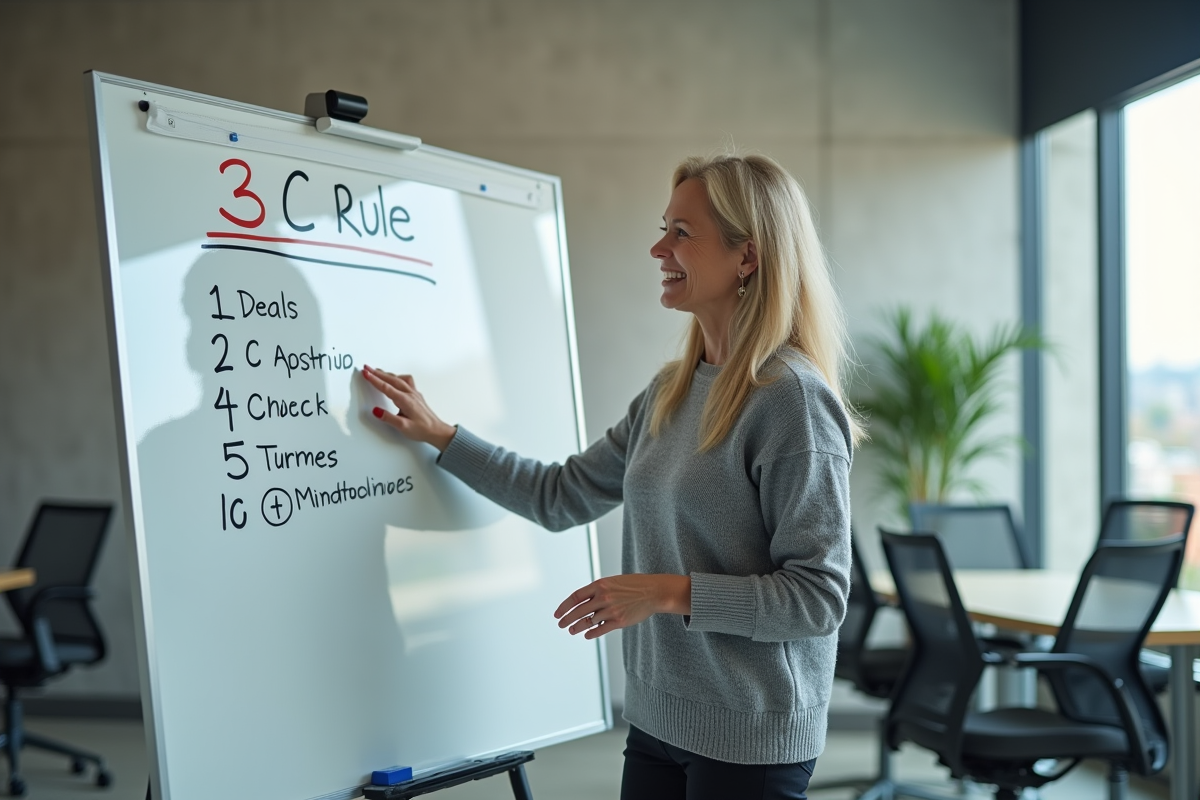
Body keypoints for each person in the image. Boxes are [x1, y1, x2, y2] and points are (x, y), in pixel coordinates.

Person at [362, 153, 862, 800]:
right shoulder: (669, 392)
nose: (659, 247)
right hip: (657, 719)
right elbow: (559, 495)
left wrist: (666, 593)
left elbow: (818, 598)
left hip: (748, 738)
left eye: (683, 233)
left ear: (748, 257)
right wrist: (442, 436)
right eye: (665, 227)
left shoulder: (791, 400)